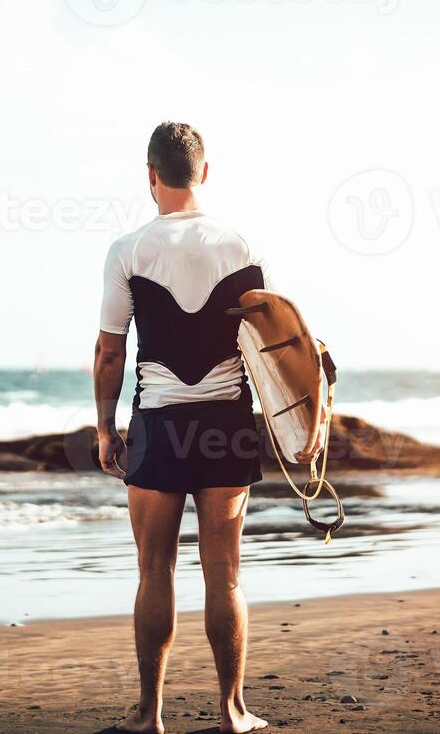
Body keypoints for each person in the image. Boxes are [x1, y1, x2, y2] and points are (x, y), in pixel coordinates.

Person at [95, 122, 270, 734]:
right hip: (226, 423)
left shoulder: (128, 249)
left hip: (158, 426)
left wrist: (103, 429)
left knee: (154, 572)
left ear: (150, 176)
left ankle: (150, 716)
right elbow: (265, 343)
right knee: (224, 575)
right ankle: (232, 711)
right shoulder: (242, 245)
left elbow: (110, 352)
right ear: (205, 171)